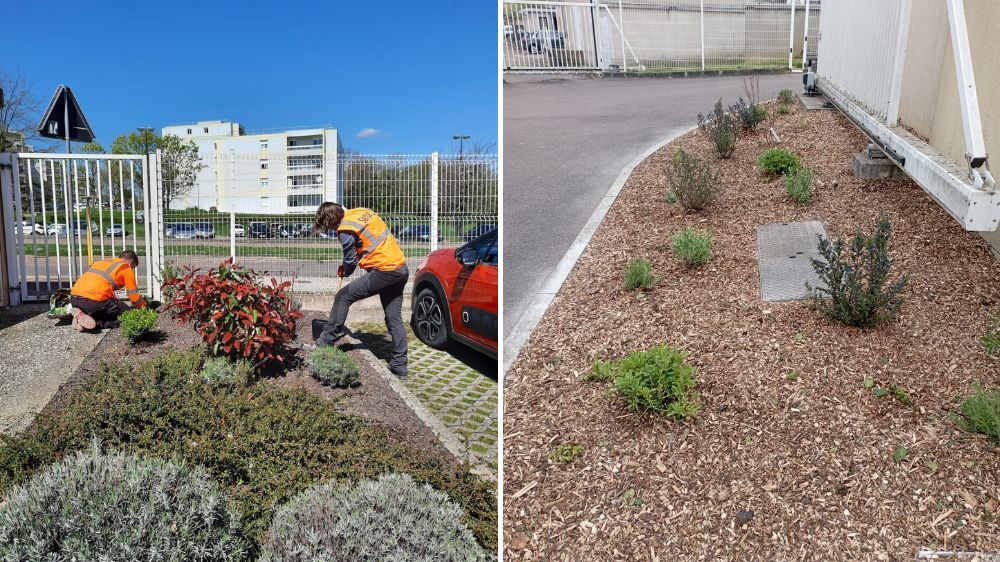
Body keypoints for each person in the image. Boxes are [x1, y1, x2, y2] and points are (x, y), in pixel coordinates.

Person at [308, 202, 409, 378]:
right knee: (394, 318)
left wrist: (345, 270)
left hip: (384, 271)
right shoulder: (361, 212)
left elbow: (350, 260)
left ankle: (324, 342)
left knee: (342, 297)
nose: (330, 230)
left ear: (331, 220)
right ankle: (399, 366)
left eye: (328, 226)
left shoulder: (345, 229)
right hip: (400, 269)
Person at [69, 250, 147, 331]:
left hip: (74, 300)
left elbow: (100, 287)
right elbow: (134, 298)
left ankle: (81, 315)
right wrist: (143, 308)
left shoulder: (101, 262)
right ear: (131, 262)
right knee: (129, 316)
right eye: (133, 267)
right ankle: (94, 324)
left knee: (108, 307)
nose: (132, 269)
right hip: (93, 302)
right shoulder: (126, 268)